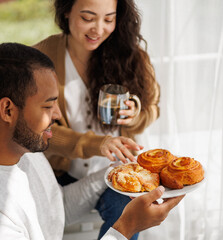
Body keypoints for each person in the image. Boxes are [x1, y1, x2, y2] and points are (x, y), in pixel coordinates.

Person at [0, 43, 183, 240]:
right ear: (7, 110)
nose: (58, 115)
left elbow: (55, 208)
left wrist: (115, 172)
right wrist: (127, 227)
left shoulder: (24, 153)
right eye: (48, 105)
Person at [33, 0, 160, 239]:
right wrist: (97, 144)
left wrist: (135, 115)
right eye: (88, 18)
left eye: (108, 19)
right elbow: (38, 128)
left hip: (116, 169)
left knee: (128, 215)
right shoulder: (41, 58)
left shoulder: (132, 56)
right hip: (62, 174)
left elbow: (152, 108)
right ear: (67, 10)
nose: (98, 29)